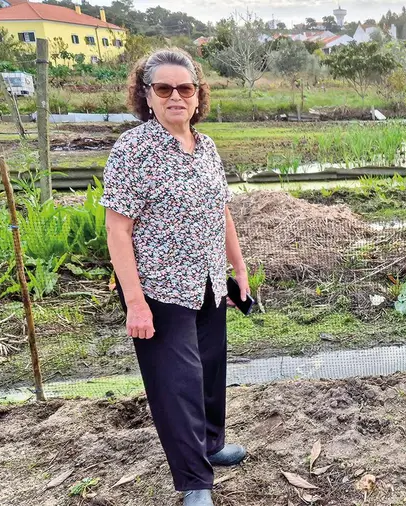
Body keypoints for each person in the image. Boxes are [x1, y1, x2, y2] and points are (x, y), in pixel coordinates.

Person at [100, 48, 250, 506]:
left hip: (206, 281)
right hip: (161, 291)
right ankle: (194, 483)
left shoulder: (205, 147)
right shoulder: (133, 150)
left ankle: (210, 443)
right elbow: (117, 228)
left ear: (197, 94)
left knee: (209, 371)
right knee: (176, 386)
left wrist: (238, 268)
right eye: (163, 88)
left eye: (185, 88)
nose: (175, 96)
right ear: (147, 96)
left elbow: (220, 209)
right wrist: (135, 302)